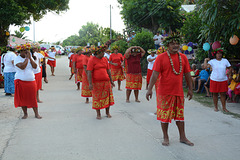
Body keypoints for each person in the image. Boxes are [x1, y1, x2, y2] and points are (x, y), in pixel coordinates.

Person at [146, 34, 194, 146]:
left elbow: (187, 74)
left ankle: (183, 137)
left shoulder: (183, 57)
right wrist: (149, 89)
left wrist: (190, 89)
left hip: (178, 92)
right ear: (168, 45)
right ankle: (166, 137)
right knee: (164, 116)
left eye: (177, 43)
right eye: (172, 43)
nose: (175, 45)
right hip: (164, 92)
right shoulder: (161, 57)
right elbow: (155, 74)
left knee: (180, 116)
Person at [14, 44, 42, 119]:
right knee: (23, 98)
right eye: (24, 51)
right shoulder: (17, 59)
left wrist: (30, 58)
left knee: (33, 97)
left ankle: (36, 113)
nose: (26, 52)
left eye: (27, 51)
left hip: (31, 81)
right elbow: (22, 67)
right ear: (20, 52)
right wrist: (27, 58)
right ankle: (25, 114)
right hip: (20, 81)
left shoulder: (30, 58)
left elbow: (35, 67)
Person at [87, 45, 115, 120]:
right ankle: (98, 114)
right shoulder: (92, 60)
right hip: (96, 83)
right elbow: (89, 72)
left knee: (107, 97)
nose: (104, 53)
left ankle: (107, 112)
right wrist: (90, 83)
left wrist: (111, 81)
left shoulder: (105, 59)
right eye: (102, 52)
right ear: (98, 53)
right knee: (97, 98)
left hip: (106, 82)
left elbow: (108, 70)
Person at [204, 48, 231, 112]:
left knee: (223, 94)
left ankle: (224, 107)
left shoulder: (225, 60)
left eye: (220, 53)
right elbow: (205, 67)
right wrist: (205, 60)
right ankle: (216, 107)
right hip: (214, 79)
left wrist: (228, 72)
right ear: (215, 55)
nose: (219, 55)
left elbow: (230, 68)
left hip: (223, 79)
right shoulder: (212, 61)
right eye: (218, 54)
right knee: (215, 94)